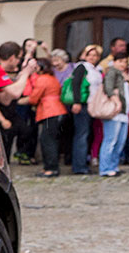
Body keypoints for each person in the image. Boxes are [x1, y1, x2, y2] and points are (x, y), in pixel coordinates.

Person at [67, 44, 103, 174]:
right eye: (90, 55)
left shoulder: (96, 69)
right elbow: (75, 84)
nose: (93, 57)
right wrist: (76, 102)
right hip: (82, 105)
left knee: (88, 134)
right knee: (81, 135)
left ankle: (83, 163)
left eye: (95, 55)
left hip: (93, 105)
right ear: (85, 56)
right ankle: (79, 166)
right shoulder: (82, 67)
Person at [27, 55, 65, 177]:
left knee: (47, 140)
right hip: (57, 110)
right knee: (50, 139)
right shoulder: (52, 78)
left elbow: (34, 97)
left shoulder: (42, 79)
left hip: (49, 111)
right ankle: (50, 167)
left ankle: (51, 168)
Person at [100, 54, 127, 177]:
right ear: (114, 62)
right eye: (120, 61)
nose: (123, 64)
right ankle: (105, 168)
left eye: (125, 62)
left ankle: (113, 166)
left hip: (123, 113)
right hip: (114, 111)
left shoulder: (121, 75)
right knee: (110, 140)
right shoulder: (112, 72)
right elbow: (108, 88)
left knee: (120, 142)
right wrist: (116, 102)